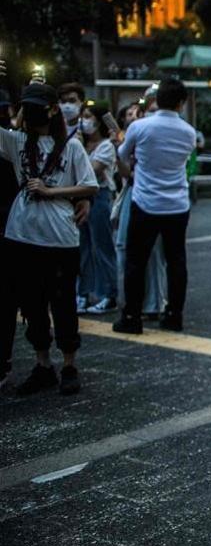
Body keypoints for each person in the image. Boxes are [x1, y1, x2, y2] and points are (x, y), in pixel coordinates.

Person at [1, 82, 98, 396]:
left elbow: (90, 186)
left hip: (60, 237)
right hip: (22, 234)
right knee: (32, 304)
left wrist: (50, 191)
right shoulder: (17, 142)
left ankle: (69, 364)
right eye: (25, 106)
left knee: (63, 302)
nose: (30, 112)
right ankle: (43, 364)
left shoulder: (71, 146)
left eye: (35, 106)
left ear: (51, 109)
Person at [112, 79, 196, 335]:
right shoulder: (188, 132)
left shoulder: (139, 127)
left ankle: (132, 316)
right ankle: (174, 314)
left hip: (145, 201)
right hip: (177, 204)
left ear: (157, 99)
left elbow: (123, 156)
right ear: (182, 104)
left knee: (136, 262)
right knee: (176, 261)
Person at [77, 109, 120, 314]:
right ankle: (82, 293)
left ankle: (108, 294)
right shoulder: (78, 143)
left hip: (99, 196)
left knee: (102, 247)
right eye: (83, 116)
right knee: (81, 248)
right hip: (77, 196)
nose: (85, 121)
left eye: (89, 116)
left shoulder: (106, 146)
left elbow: (90, 169)